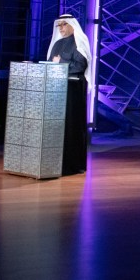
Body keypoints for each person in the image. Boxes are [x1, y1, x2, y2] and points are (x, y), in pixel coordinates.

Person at [47, 14, 90, 175]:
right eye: (59, 25)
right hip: (57, 90)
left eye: (64, 24)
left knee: (71, 126)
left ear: (73, 25)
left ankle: (72, 165)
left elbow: (80, 66)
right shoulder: (57, 43)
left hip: (73, 91)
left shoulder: (79, 42)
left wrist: (61, 62)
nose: (61, 28)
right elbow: (51, 63)